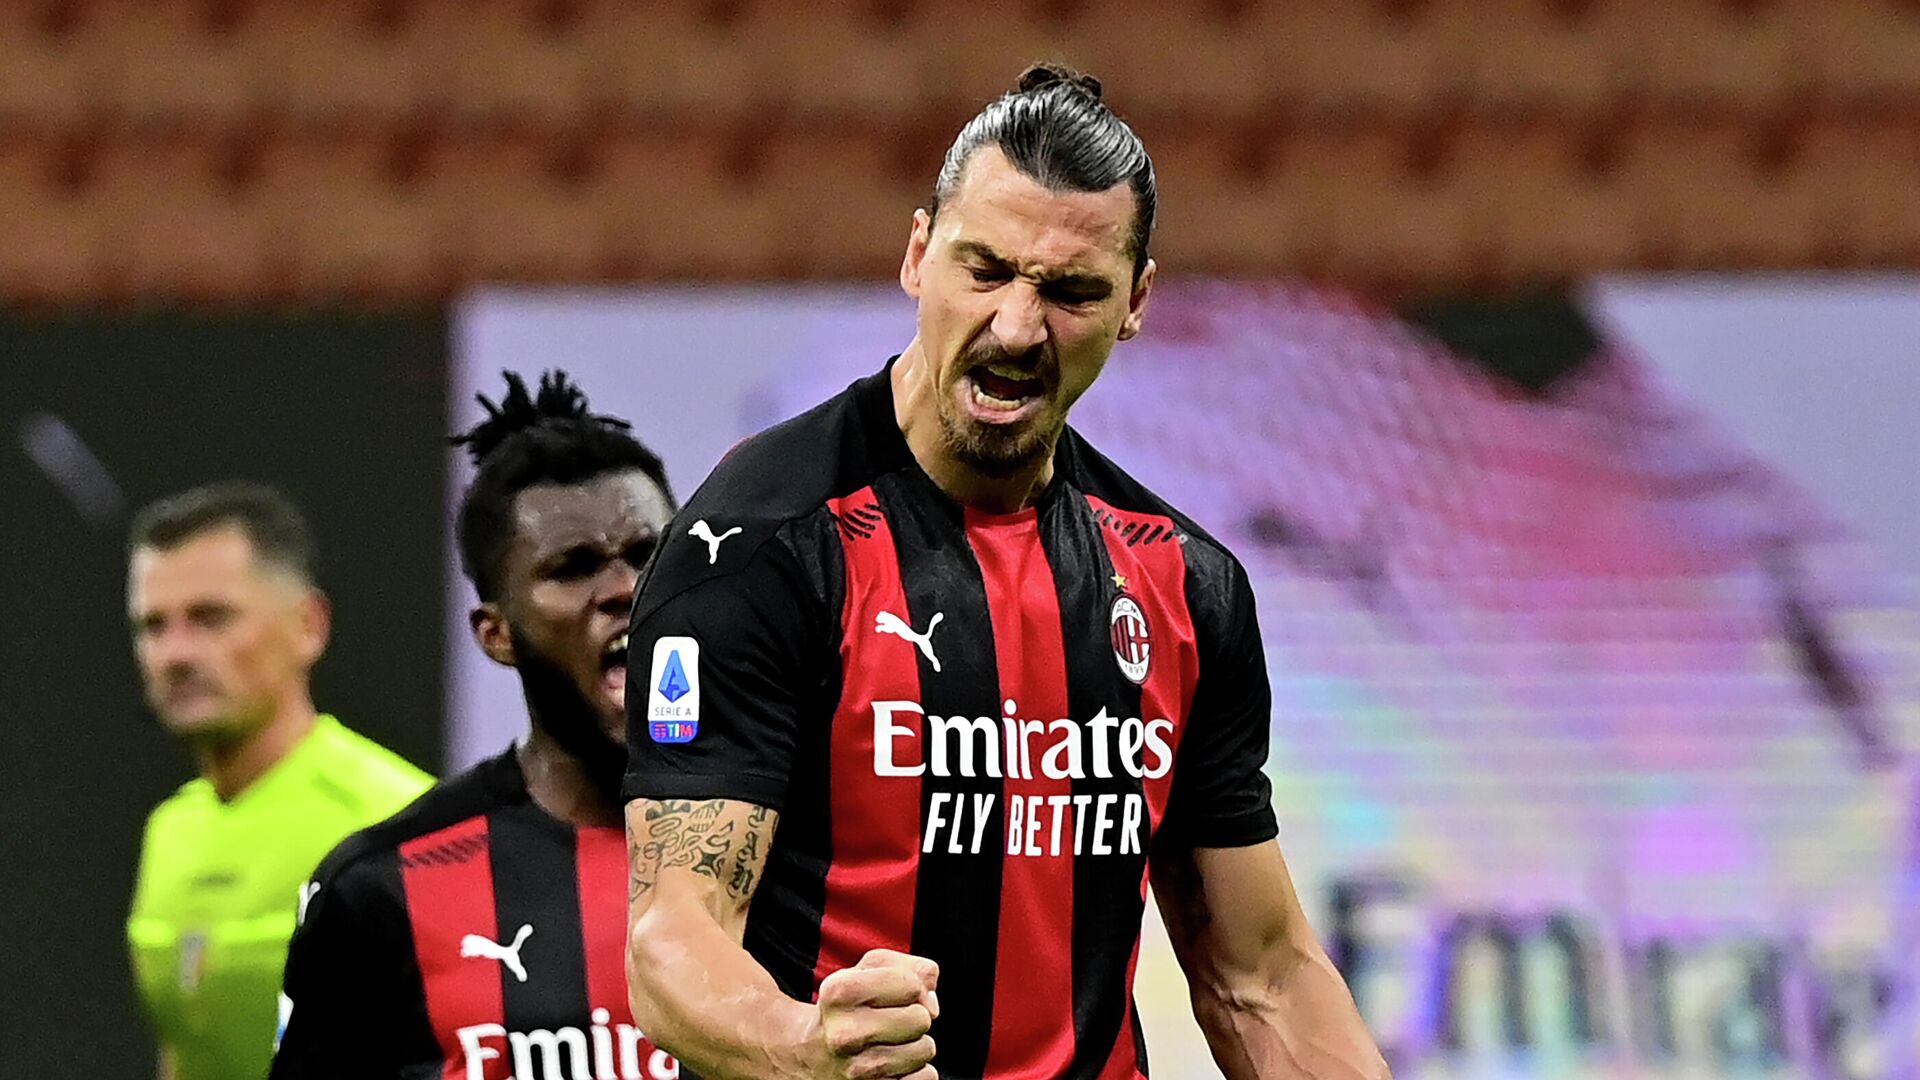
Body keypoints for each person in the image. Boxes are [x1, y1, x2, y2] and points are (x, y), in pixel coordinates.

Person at [622, 63, 1390, 1080]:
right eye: (986, 271)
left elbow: (1261, 976)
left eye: (1071, 292)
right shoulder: (760, 545)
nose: (1019, 329)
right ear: (916, 254)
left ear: (1134, 304)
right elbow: (674, 939)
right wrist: (805, 1048)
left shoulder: (1181, 585)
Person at [272, 371, 681, 1080]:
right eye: (574, 568)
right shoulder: (379, 887)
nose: (624, 589)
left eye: (649, 554)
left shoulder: (806, 848)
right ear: (497, 634)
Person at [125, 482, 433, 1080]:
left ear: (309, 626)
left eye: (211, 617)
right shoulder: (170, 831)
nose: (176, 653)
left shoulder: (401, 823)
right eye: (153, 626)